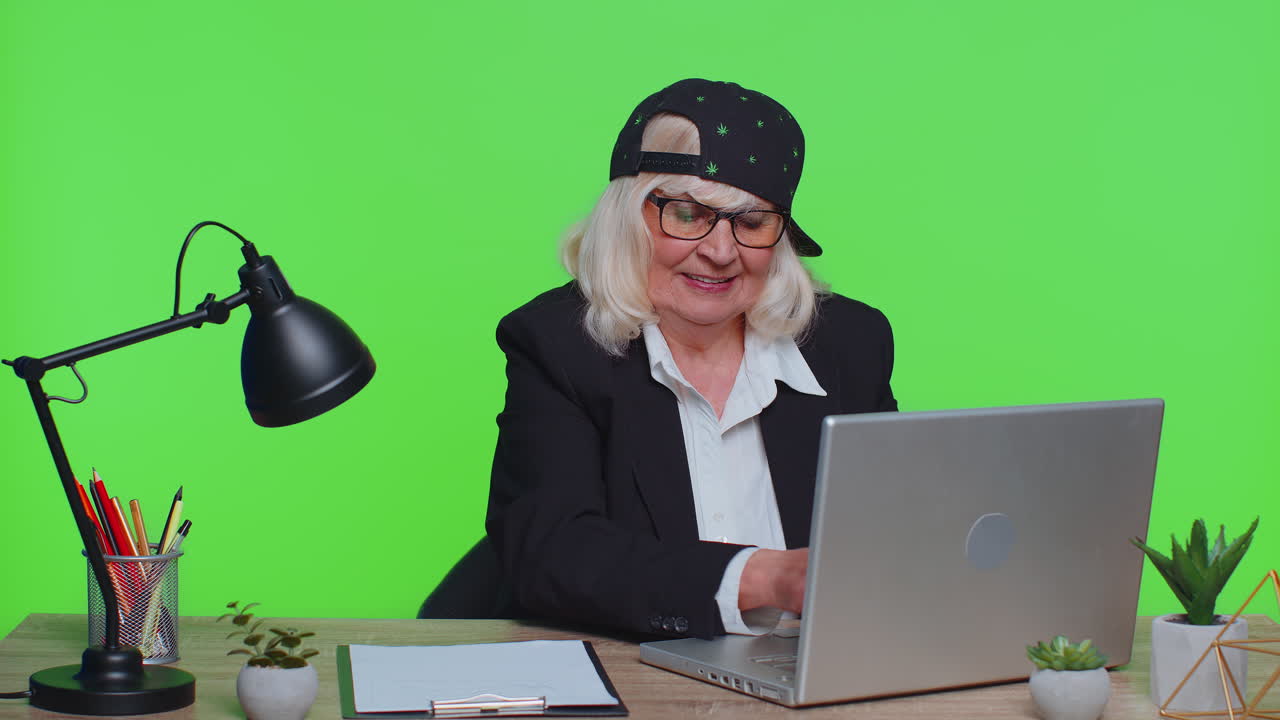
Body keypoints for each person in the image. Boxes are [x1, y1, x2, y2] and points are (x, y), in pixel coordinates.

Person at [485, 78, 897, 639]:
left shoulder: (850, 343)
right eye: (686, 214)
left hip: (809, 666)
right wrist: (767, 578)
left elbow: (894, 530)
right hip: (634, 666)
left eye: (751, 222)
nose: (721, 251)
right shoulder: (557, 344)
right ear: (627, 217)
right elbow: (552, 553)